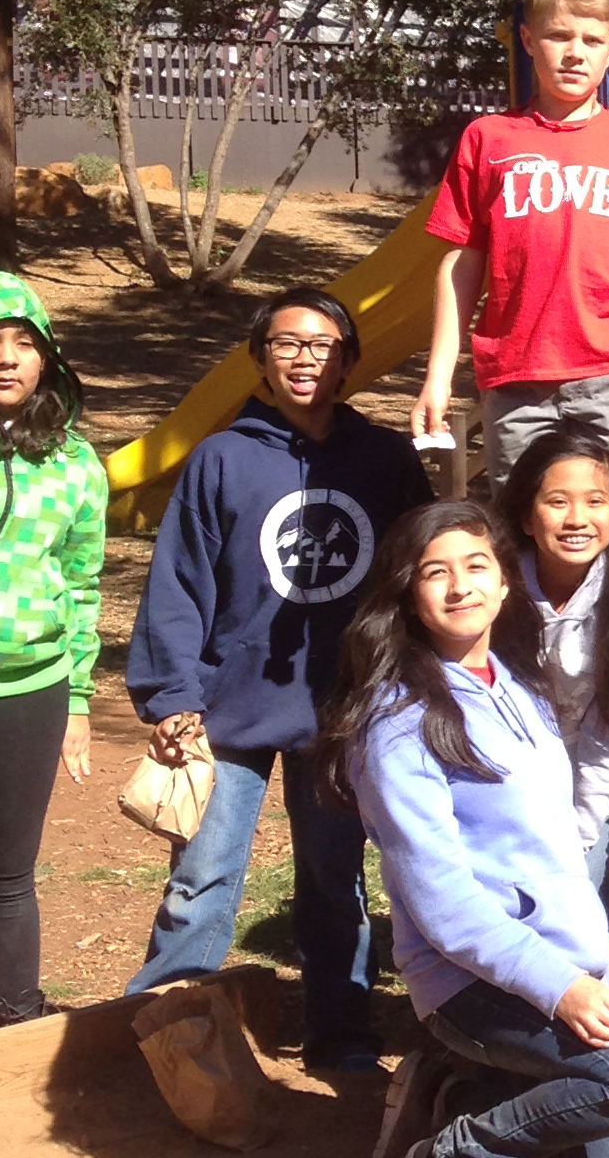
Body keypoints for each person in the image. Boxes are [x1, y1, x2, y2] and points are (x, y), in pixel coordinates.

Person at [322, 501, 609, 1158]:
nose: (460, 587)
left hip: (559, 965)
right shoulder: (396, 722)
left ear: (503, 584)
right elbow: (442, 904)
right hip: (470, 977)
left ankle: (457, 1092)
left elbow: (554, 857)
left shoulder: (515, 692)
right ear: (407, 594)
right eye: (436, 573)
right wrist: (558, 988)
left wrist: (599, 974)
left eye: (476, 566)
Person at [125, 287, 433, 1071]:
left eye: (323, 345)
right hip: (227, 708)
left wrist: (411, 681)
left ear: (348, 361)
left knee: (334, 880)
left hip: (342, 707)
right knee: (202, 876)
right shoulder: (222, 458)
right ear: (260, 357)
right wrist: (172, 694)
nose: (305, 358)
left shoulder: (384, 460)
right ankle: (165, 1029)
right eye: (288, 343)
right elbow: (179, 582)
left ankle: (341, 1029)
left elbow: (420, 575)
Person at [417, 0, 609, 481]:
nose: (575, 53)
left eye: (592, 41)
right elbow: (461, 264)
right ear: (527, 40)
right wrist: (437, 377)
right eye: (558, 35)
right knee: (524, 529)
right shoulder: (488, 139)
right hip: (515, 378)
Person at [497, 429, 609, 1035]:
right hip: (508, 784)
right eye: (557, 501)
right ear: (526, 514)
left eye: (597, 500)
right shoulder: (492, 587)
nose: (578, 518)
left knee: (591, 883)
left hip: (604, 779)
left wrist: (573, 833)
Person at [0, 274, 106, 1034]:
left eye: (22, 344)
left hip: (30, 690)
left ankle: (12, 1027)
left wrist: (80, 701)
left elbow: (84, 585)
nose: (4, 360)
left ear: (48, 360)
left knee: (4, 877)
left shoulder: (74, 466)